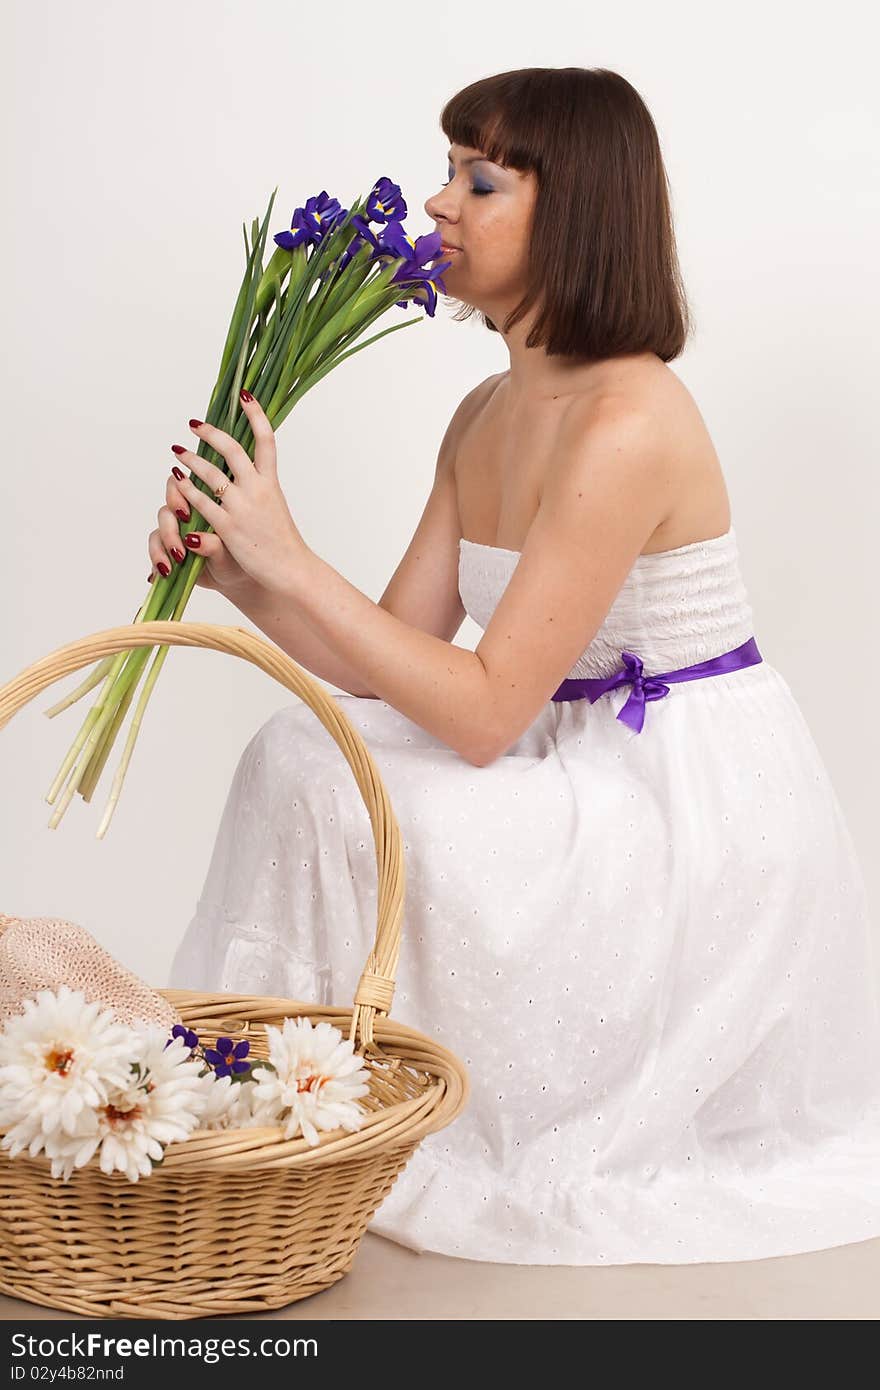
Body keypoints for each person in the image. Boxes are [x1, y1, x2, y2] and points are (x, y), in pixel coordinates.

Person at [164, 68, 880, 1265]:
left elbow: (486, 712)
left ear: (579, 212)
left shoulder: (631, 417)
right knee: (303, 747)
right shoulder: (484, 414)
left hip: (679, 810)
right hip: (564, 759)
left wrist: (291, 556)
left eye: (479, 179)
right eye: (446, 170)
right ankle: (284, 1096)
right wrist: (248, 574)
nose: (440, 204)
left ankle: (312, 1096)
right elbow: (380, 665)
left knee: (319, 766)